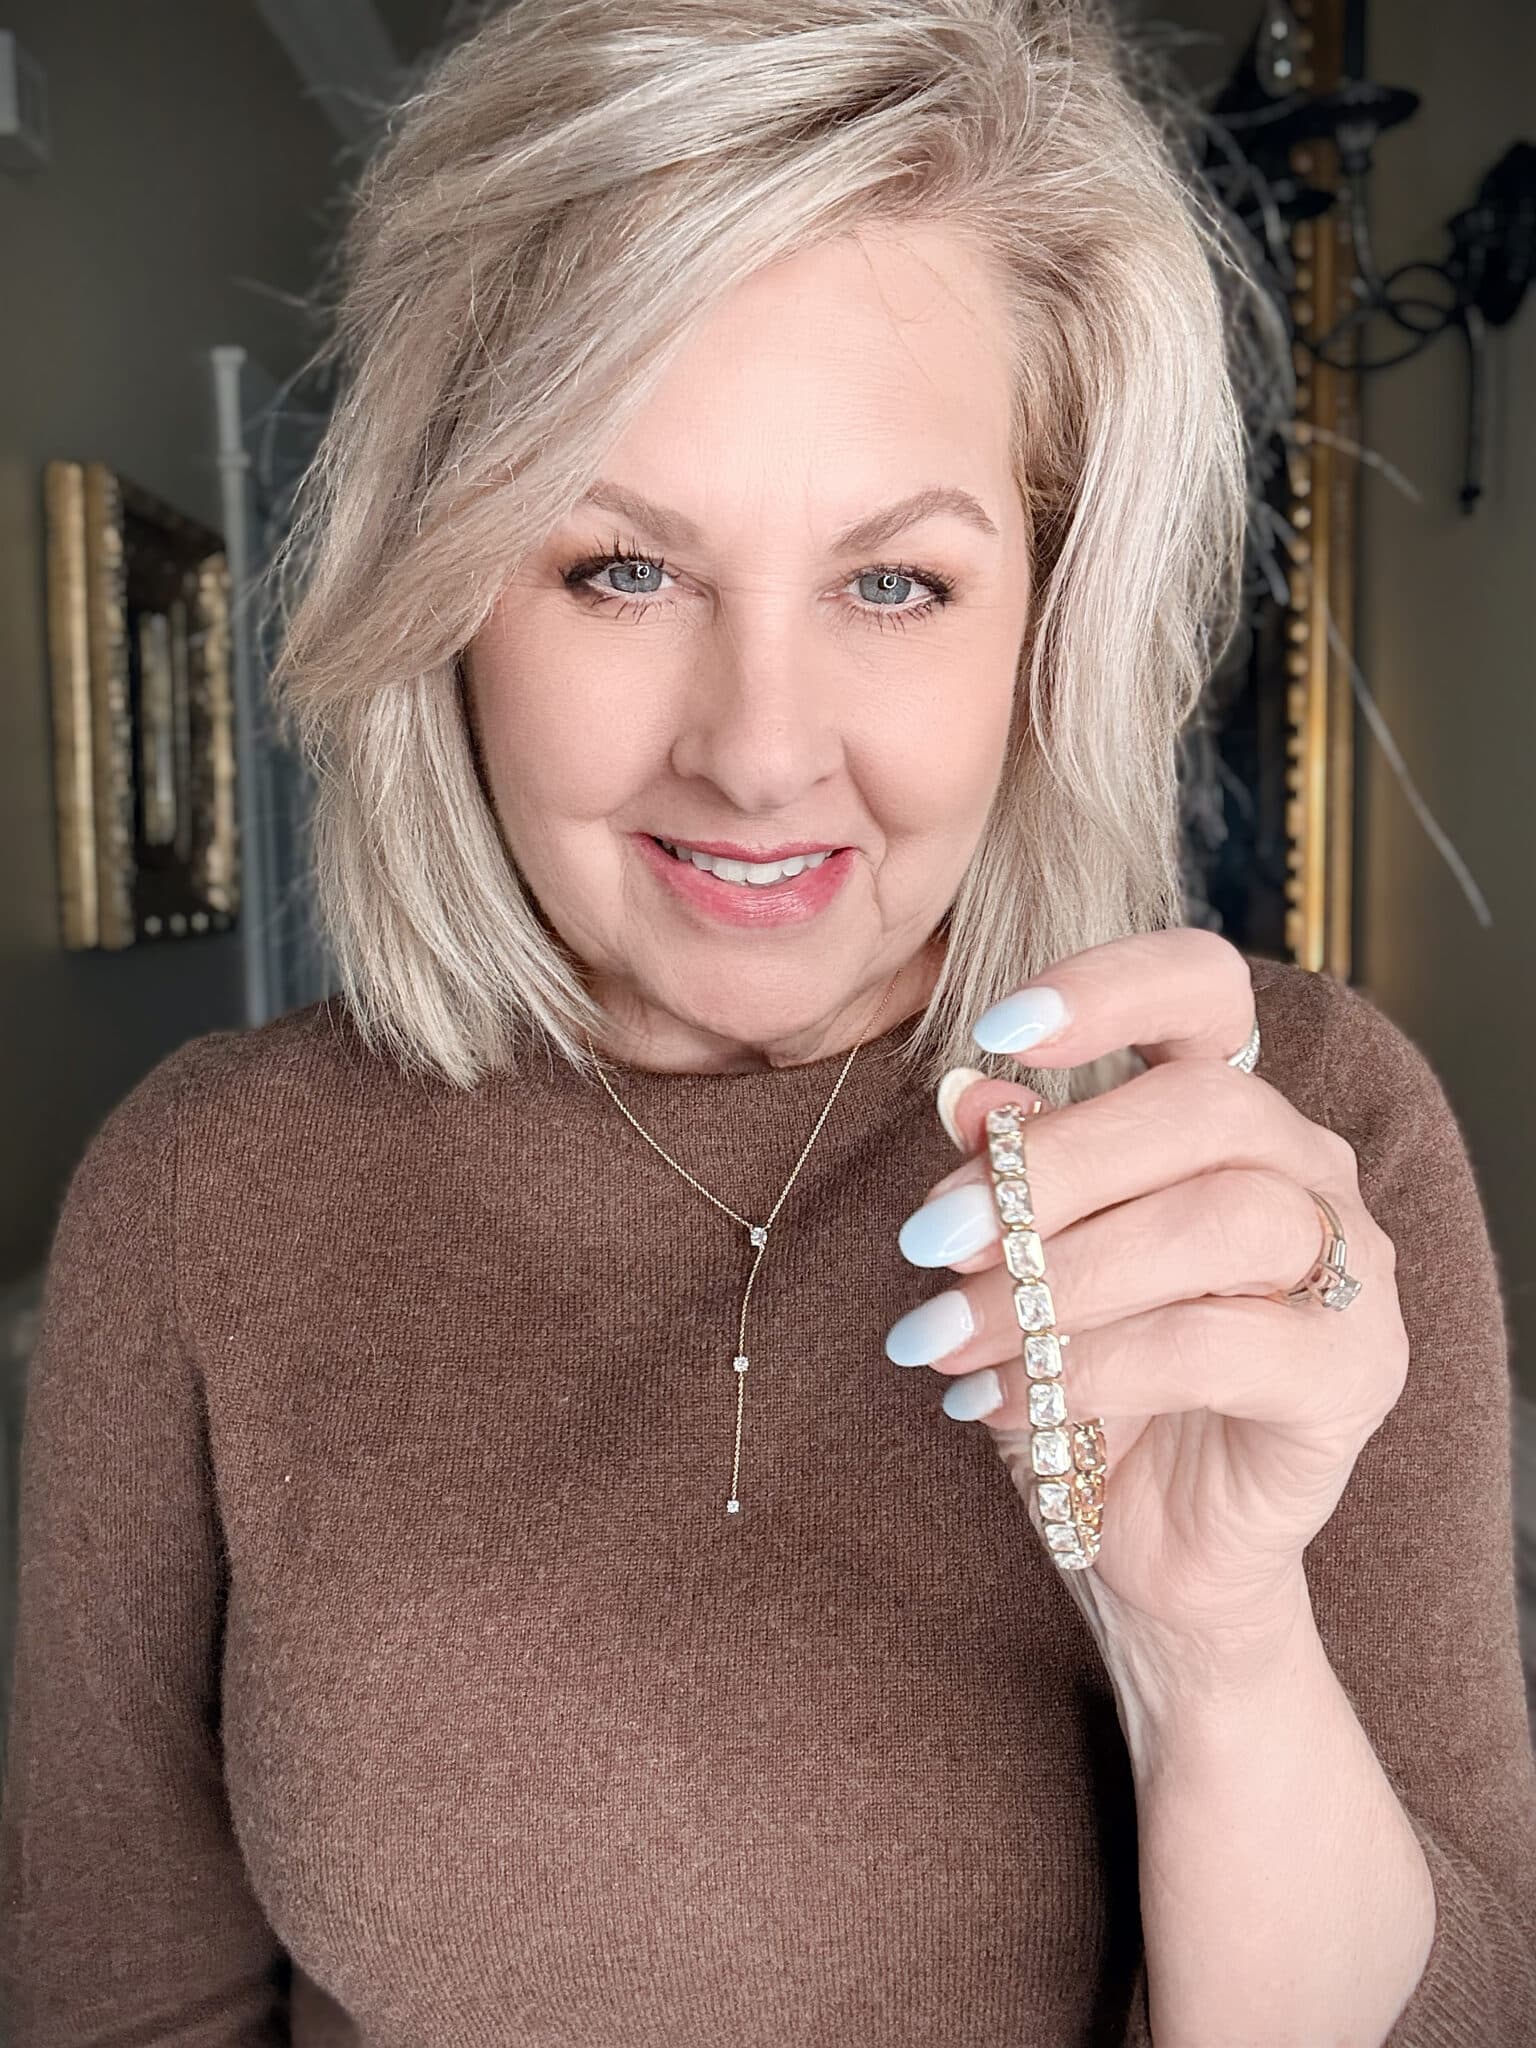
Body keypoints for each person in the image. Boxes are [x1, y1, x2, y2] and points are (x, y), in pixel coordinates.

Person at [3, 0, 1533, 2041]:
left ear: (1045, 616)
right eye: (623, 567)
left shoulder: (1303, 1144)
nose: (755, 751)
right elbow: (116, 2000)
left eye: (894, 582)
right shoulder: (203, 1191)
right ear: (448, 582)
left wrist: (1217, 1646)